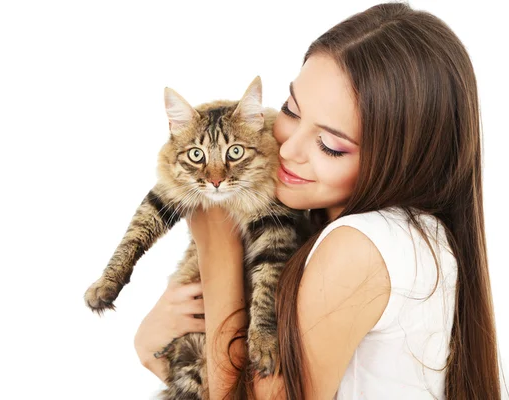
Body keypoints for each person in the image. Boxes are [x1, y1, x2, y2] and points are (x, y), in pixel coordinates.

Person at [134, 3, 501, 399]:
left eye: (329, 145)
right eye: (291, 110)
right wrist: (154, 343)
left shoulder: (360, 243)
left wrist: (216, 247)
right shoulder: (406, 232)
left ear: (401, 162)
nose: (289, 148)